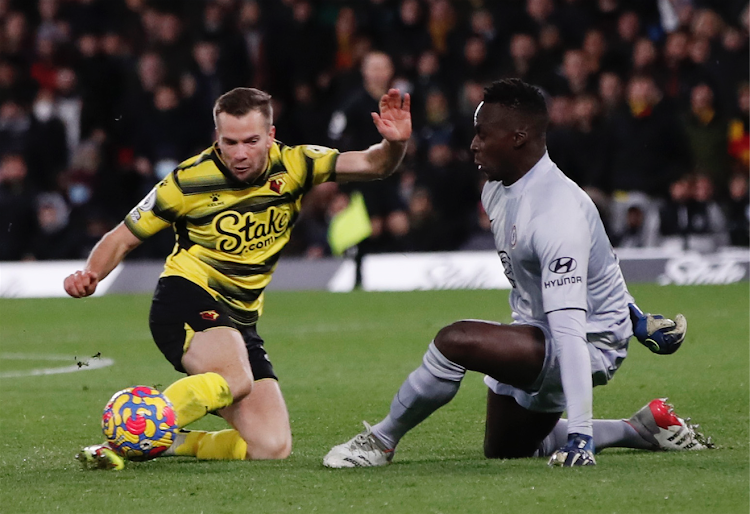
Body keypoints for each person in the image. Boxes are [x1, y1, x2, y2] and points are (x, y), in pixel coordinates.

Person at [323, 79, 711, 469]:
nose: (473, 144)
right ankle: (643, 428)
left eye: (482, 134)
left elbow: (571, 332)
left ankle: (380, 441)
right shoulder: (496, 190)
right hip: (538, 327)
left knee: (454, 341)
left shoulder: (556, 214)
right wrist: (637, 317)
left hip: (586, 341)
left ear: (518, 137)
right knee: (507, 448)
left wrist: (580, 437)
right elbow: (599, 267)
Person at [65, 86, 412, 469]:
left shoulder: (297, 164)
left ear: (271, 136)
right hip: (186, 297)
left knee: (270, 445)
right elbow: (123, 236)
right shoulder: (187, 180)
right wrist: (91, 273)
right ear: (217, 137)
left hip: (241, 320)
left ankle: (170, 441)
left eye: (251, 141)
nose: (240, 153)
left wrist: (393, 144)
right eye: (229, 142)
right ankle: (125, 436)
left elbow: (374, 164)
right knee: (236, 378)